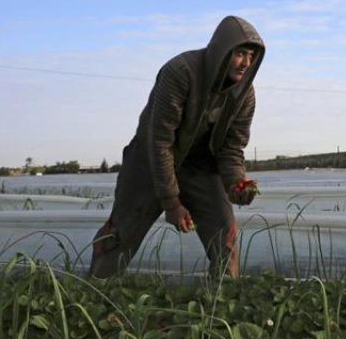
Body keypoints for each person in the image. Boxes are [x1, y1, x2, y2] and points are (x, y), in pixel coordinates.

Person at [88, 15, 265, 279]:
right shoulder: (180, 72)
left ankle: (224, 305)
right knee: (120, 236)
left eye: (251, 56)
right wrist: (172, 203)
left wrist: (236, 183)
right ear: (222, 50)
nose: (246, 63)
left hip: (200, 167)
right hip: (149, 163)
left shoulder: (245, 93)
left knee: (225, 236)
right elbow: (159, 141)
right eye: (240, 54)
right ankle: (92, 296)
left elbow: (232, 148)